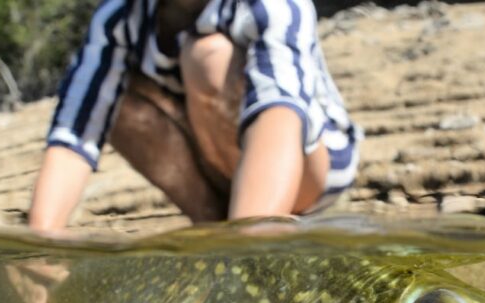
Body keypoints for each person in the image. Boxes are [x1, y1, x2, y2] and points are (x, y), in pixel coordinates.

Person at [28, 0, 361, 233]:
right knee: (115, 96)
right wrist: (39, 249)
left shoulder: (272, 5)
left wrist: (249, 251)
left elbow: (281, 114)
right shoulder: (118, 16)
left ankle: (253, 222)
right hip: (218, 157)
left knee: (208, 57)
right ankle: (212, 222)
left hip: (313, 166)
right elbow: (74, 133)